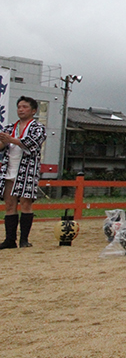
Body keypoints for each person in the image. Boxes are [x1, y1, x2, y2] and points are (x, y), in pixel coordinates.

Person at [0, 97, 47, 249]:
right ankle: (10, 240)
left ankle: (24, 239)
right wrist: (4, 141)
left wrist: (11, 140)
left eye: (25, 107)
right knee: (9, 205)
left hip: (27, 169)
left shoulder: (38, 128)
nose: (21, 109)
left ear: (33, 110)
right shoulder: (9, 127)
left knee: (26, 204)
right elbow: (2, 146)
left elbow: (31, 144)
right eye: (19, 107)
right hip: (9, 168)